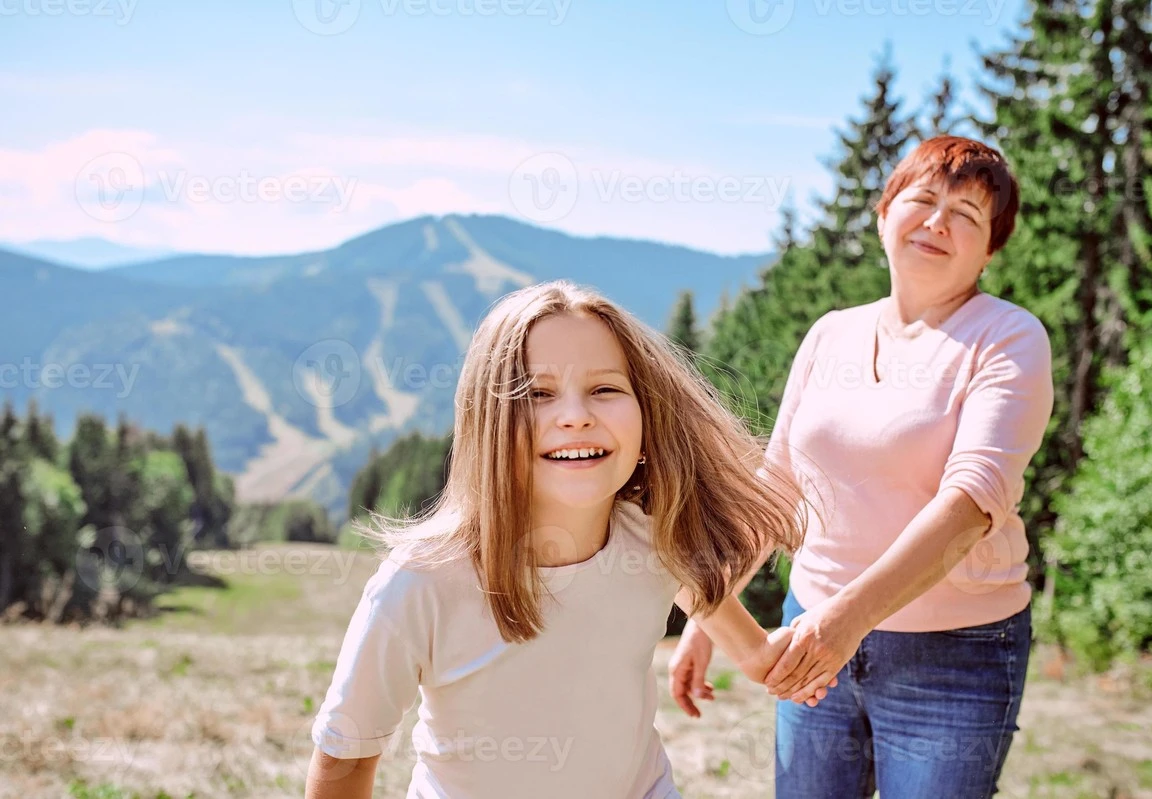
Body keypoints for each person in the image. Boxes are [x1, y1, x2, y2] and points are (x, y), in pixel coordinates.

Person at [304, 280, 820, 799]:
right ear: (489, 425)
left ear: (648, 417)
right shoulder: (420, 581)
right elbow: (345, 762)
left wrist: (793, 654)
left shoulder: (655, 540)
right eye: (537, 394)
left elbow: (743, 642)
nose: (575, 415)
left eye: (605, 389)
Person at [668, 135, 1054, 799]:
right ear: (883, 214)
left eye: (966, 215)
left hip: (954, 655)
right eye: (923, 199)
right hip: (811, 632)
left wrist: (842, 625)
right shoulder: (831, 333)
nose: (938, 221)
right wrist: (710, 616)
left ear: (991, 249)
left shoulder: (1008, 337)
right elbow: (780, 485)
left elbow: (970, 505)